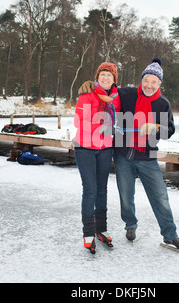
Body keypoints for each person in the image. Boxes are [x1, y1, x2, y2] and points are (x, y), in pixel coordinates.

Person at [79, 59, 179, 251]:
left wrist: (156, 127)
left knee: (160, 197)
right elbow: (107, 89)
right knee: (125, 197)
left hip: (147, 158)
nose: (149, 85)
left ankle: (170, 235)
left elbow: (169, 130)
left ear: (159, 84)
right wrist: (91, 85)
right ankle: (130, 226)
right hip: (123, 156)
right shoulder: (127, 94)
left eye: (154, 82)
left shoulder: (163, 104)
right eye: (146, 80)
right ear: (142, 80)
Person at [73, 62, 121, 254]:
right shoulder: (87, 93)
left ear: (114, 79)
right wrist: (98, 128)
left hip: (105, 148)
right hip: (85, 148)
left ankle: (101, 229)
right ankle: (88, 233)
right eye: (102, 74)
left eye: (109, 75)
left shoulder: (115, 98)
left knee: (102, 189)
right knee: (90, 190)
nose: (106, 78)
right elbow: (78, 120)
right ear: (97, 76)